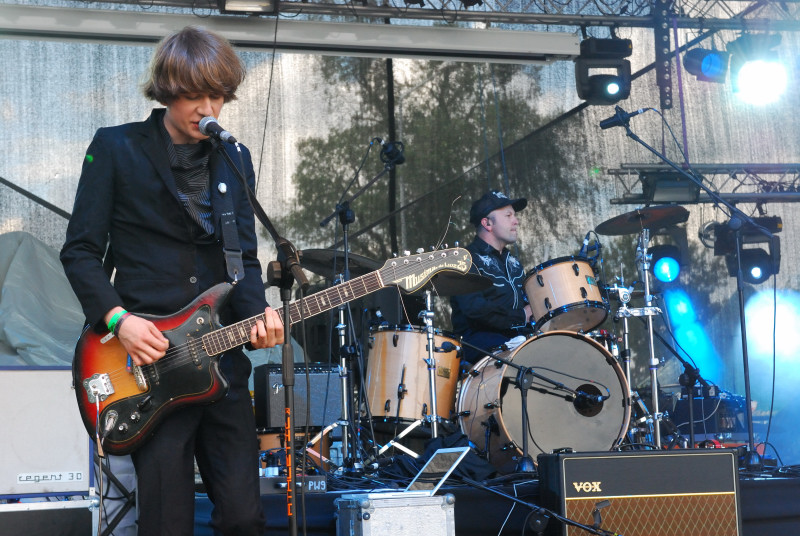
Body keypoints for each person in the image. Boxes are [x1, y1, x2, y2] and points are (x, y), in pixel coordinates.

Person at [60, 26, 283, 535]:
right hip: (150, 367)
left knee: (246, 518)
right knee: (167, 523)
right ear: (166, 90)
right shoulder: (115, 148)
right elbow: (80, 253)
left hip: (223, 366)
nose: (208, 107)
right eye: (195, 94)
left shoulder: (235, 157)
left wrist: (260, 317)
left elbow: (243, 263)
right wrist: (119, 321)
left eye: (217, 95)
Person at [450, 190, 532, 364]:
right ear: (487, 223)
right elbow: (475, 309)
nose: (516, 221)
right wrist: (521, 316)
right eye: (508, 215)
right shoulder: (464, 259)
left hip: (519, 339)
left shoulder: (513, 262)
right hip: (480, 344)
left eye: (514, 215)